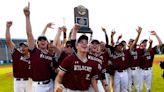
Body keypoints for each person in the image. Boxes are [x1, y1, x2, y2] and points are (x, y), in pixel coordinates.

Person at [23, 3, 53, 92]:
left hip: (51, 83)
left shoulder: (50, 55)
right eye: (40, 40)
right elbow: (29, 34)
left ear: (47, 42)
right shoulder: (34, 51)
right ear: (38, 43)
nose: (43, 41)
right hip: (39, 87)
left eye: (44, 40)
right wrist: (27, 17)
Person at [5, 21, 31, 92]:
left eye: (25, 46)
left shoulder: (32, 57)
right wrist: (7, 28)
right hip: (18, 82)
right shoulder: (16, 54)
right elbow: (8, 41)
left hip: (29, 81)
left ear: (28, 48)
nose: (22, 48)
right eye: (21, 46)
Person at [127, 26, 142, 92]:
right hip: (129, 70)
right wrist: (138, 34)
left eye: (133, 41)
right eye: (131, 42)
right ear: (128, 43)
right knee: (129, 87)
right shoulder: (128, 50)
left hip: (137, 70)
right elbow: (134, 44)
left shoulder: (138, 50)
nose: (132, 42)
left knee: (137, 87)